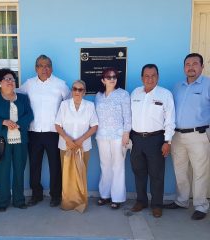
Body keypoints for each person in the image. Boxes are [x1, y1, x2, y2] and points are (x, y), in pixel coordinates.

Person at [19, 55, 70, 207]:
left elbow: (68, 104)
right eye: (41, 66)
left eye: (47, 65)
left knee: (55, 165)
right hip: (33, 132)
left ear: (51, 68)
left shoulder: (60, 84)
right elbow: (16, 98)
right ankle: (36, 195)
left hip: (53, 132)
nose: (44, 69)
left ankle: (56, 195)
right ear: (36, 68)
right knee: (34, 165)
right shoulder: (28, 84)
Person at [164, 53, 210, 220]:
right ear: (184, 67)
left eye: (195, 64)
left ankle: (201, 206)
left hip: (199, 135)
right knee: (180, 170)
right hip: (178, 136)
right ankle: (182, 201)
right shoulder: (178, 86)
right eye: (188, 64)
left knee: (200, 172)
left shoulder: (208, 84)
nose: (191, 67)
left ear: (202, 66)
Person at [0, 68, 33, 212]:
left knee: (19, 170)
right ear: (0, 83)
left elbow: (29, 115)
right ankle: (3, 202)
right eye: (7, 79)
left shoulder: (23, 98)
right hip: (1, 142)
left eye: (12, 79)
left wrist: (19, 124)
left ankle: (19, 200)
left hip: (20, 140)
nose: (10, 81)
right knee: (3, 172)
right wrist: (3, 122)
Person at [130, 64, 175, 218]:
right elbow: (130, 117)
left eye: (153, 75)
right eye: (147, 76)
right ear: (142, 77)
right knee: (139, 173)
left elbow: (170, 120)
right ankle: (141, 201)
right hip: (136, 139)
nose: (150, 79)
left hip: (156, 139)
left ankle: (157, 205)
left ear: (158, 77)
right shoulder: (135, 93)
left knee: (156, 174)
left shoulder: (165, 94)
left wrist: (167, 141)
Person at [55, 80, 98, 212]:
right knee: (67, 175)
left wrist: (81, 140)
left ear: (84, 92)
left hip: (83, 146)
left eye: (80, 90)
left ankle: (80, 201)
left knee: (80, 174)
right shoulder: (64, 105)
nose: (77, 92)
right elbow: (57, 125)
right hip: (65, 145)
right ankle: (68, 202)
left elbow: (94, 126)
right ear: (72, 90)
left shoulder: (90, 106)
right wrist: (67, 138)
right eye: (75, 89)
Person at [95, 67, 131, 209]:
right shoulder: (98, 96)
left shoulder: (123, 94)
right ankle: (105, 195)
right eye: (108, 77)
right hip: (102, 135)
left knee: (118, 166)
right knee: (105, 165)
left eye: (114, 77)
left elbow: (127, 115)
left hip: (118, 135)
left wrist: (126, 133)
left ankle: (117, 198)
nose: (112, 79)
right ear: (103, 80)